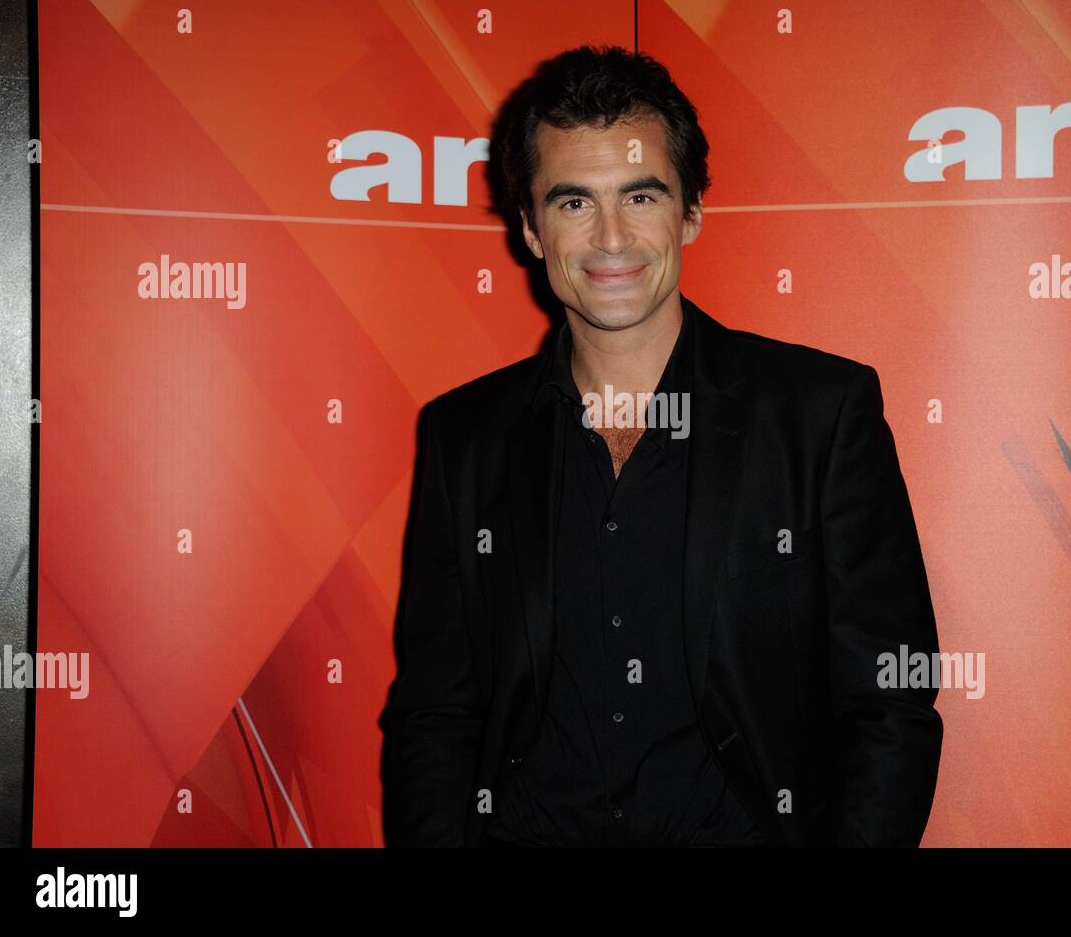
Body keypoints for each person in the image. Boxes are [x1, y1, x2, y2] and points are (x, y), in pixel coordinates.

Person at [380, 44, 942, 847]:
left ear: (689, 213)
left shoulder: (819, 416)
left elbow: (891, 698)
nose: (612, 238)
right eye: (573, 203)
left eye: (639, 196)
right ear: (532, 230)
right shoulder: (465, 435)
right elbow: (436, 709)